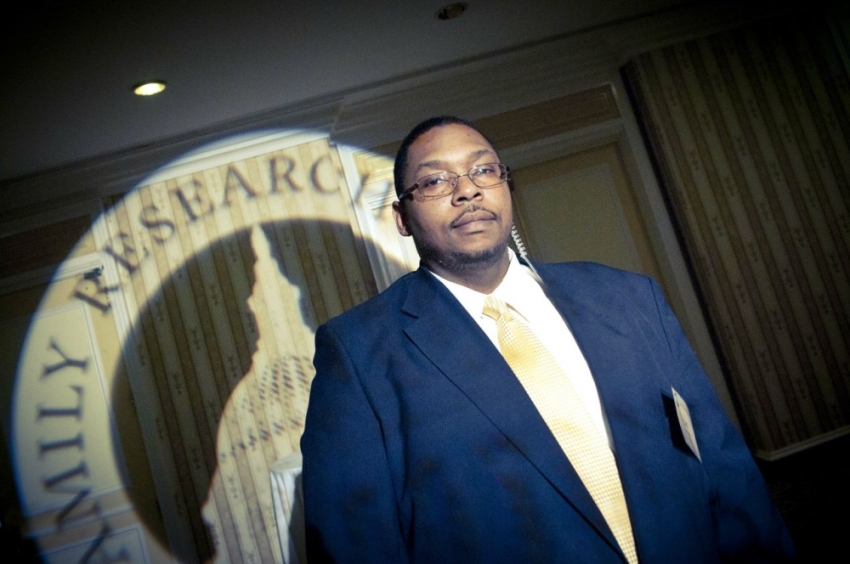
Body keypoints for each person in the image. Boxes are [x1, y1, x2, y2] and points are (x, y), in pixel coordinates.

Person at [300, 116, 794, 563]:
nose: (467, 191)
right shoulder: (358, 352)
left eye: (484, 171)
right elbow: (355, 542)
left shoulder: (628, 296)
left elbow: (721, 463)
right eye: (434, 181)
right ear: (402, 218)